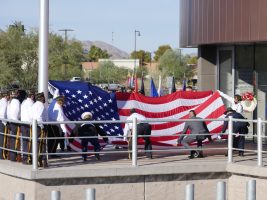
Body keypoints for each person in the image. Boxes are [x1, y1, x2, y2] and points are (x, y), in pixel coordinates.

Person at [31, 92, 48, 167]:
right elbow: (39, 117)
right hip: (39, 126)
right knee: (42, 144)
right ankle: (42, 160)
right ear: (41, 98)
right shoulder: (40, 105)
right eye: (43, 97)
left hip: (35, 125)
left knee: (37, 143)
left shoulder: (34, 104)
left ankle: (38, 160)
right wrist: (42, 126)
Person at [20, 90, 35, 164]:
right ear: (32, 95)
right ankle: (28, 158)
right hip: (29, 124)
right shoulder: (31, 103)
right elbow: (32, 115)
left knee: (25, 142)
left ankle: (25, 158)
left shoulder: (24, 102)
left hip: (23, 123)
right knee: (30, 142)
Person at [6, 89, 21, 162]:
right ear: (17, 94)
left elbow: (8, 112)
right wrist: (17, 121)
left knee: (12, 139)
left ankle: (11, 156)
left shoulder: (10, 101)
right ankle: (13, 156)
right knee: (15, 140)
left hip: (10, 121)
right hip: (15, 122)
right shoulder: (16, 101)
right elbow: (16, 112)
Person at [0, 91, 10, 160]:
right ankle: (1, 155)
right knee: (2, 139)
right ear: (6, 96)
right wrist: (5, 122)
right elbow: (3, 113)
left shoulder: (1, 101)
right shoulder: (4, 102)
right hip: (2, 122)